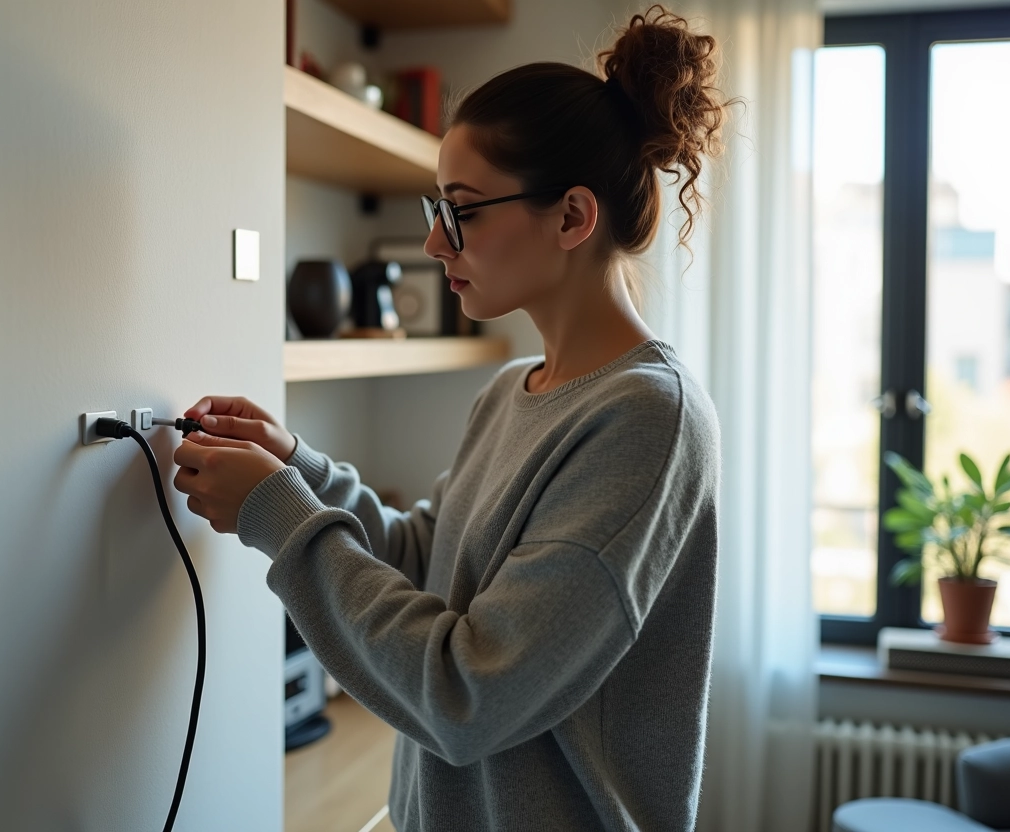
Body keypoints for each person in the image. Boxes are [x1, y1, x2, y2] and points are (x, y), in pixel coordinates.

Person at [172, 6, 728, 830]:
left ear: (572, 217)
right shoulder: (510, 391)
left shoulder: (649, 421)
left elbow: (469, 694)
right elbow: (425, 562)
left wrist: (275, 512)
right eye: (437, 209)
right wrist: (296, 467)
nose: (435, 245)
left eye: (461, 211)